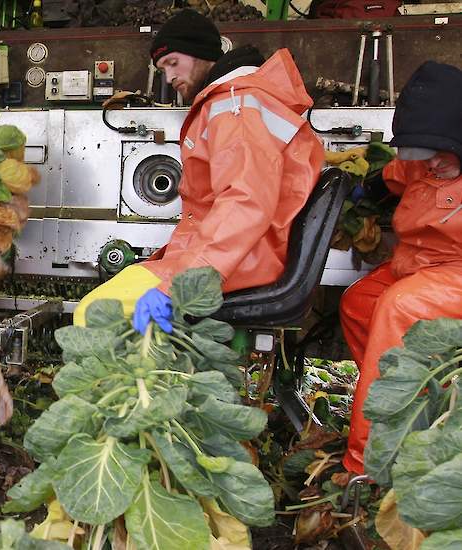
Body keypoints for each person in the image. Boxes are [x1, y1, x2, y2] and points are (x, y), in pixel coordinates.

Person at [74, 9, 324, 331]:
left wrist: (181, 286)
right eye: (163, 69)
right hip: (239, 258)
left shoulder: (235, 105)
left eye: (173, 63)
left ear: (202, 54)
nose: (169, 78)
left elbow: (245, 203)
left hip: (239, 264)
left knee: (94, 315)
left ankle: (149, 382)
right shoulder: (239, 99)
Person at [340, 61, 462, 474]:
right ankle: (404, 404)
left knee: (398, 307)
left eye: (439, 156)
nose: (430, 165)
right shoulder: (426, 158)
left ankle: (368, 464)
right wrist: (360, 187)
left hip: (455, 273)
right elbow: (394, 175)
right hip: (418, 267)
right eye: (422, 155)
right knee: (359, 302)